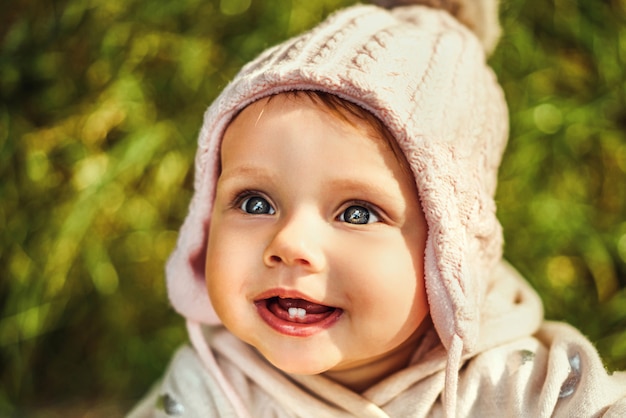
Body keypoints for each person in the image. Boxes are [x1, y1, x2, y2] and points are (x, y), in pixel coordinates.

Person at [130, 0, 626, 416]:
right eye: (255, 201)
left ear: (450, 251)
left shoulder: (521, 387)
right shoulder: (209, 389)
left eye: (357, 213)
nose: (291, 244)